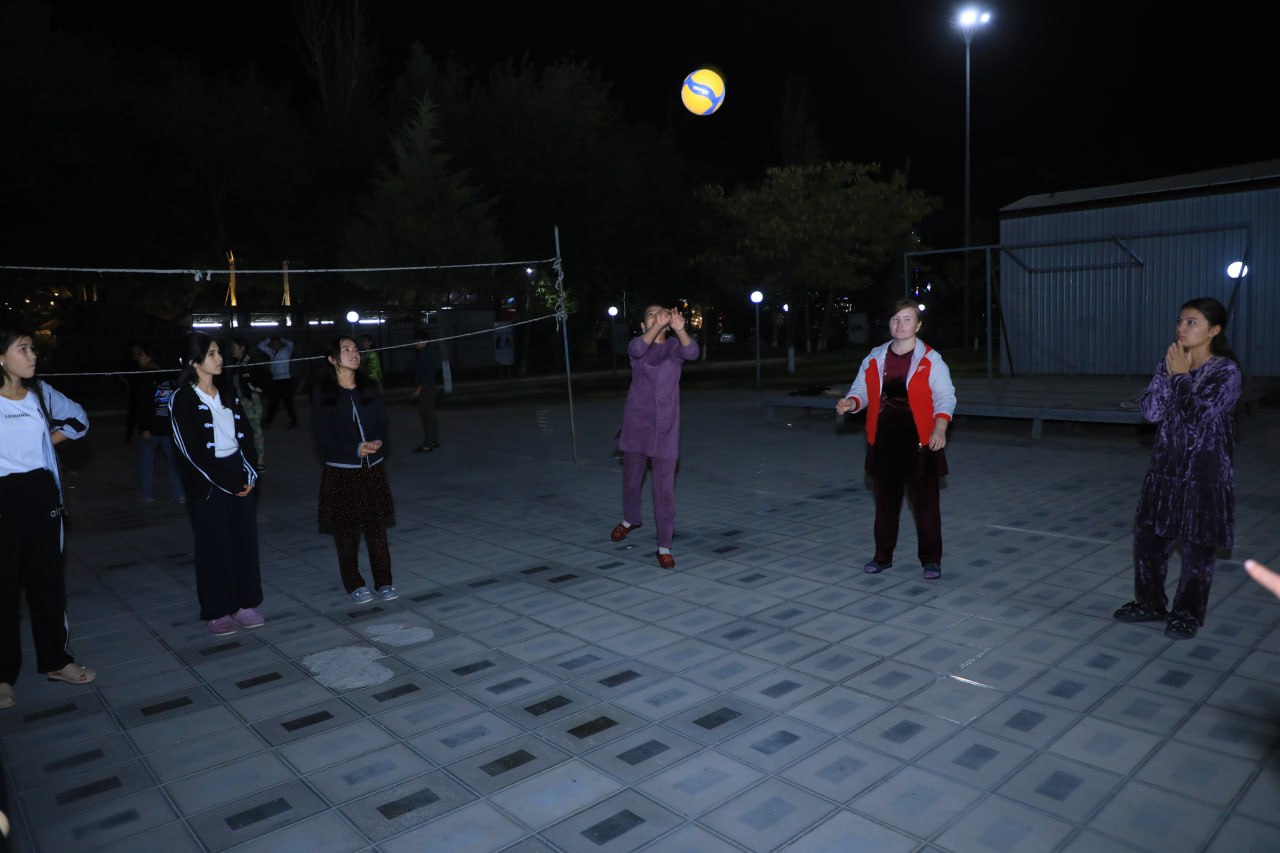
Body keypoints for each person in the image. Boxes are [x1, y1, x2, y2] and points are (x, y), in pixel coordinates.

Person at [1113, 297, 1242, 640]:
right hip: (1165, 470)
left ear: (1214, 330)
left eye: (1192, 322)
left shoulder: (1226, 372)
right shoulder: (1170, 362)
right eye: (1180, 321)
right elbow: (1152, 412)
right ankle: (1150, 603)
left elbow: (1198, 416)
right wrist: (1166, 375)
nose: (1181, 328)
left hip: (1204, 475)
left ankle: (1187, 613)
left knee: (1198, 550)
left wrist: (1181, 377)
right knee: (1148, 540)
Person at [0, 325, 95, 710]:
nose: (32, 355)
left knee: (48, 585)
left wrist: (47, 442)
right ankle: (2, 677)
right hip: (3, 497)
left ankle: (57, 661)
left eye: (32, 348)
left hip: (41, 494)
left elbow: (79, 420)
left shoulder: (41, 393)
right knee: (4, 592)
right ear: (1, 357)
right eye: (22, 349)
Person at [837, 299, 956, 580]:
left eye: (906, 319)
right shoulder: (875, 356)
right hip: (884, 440)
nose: (900, 325)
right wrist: (852, 403)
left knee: (925, 506)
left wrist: (940, 428)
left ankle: (931, 560)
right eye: (895, 319)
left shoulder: (931, 359)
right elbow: (861, 390)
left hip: (920, 442)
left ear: (918, 325)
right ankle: (882, 556)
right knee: (885, 505)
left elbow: (945, 397)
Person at [170, 332, 264, 635]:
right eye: (211, 354)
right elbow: (190, 452)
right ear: (194, 361)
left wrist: (250, 474)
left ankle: (245, 603)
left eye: (218, 352)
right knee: (213, 546)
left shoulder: (228, 392)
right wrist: (227, 482)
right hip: (207, 483)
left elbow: (246, 437)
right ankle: (217, 609)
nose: (219, 358)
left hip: (238, 472)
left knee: (244, 542)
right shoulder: (182, 399)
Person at [610, 305, 699, 569]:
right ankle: (630, 519)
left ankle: (664, 546)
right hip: (637, 426)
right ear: (642, 325)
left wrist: (680, 329)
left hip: (666, 430)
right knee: (631, 480)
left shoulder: (674, 347)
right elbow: (637, 349)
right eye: (650, 314)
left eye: (661, 313)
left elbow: (692, 353)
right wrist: (657, 326)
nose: (657, 315)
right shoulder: (638, 347)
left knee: (664, 490)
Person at [311, 336, 398, 604]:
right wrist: (354, 449)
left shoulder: (369, 387)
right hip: (342, 471)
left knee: (376, 529)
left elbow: (382, 422)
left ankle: (384, 581)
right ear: (332, 359)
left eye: (356, 349)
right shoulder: (324, 393)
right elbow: (323, 437)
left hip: (372, 468)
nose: (354, 354)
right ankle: (354, 583)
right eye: (346, 350)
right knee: (346, 532)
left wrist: (377, 442)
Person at [132, 345, 185, 504]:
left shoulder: (147, 377)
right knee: (173, 463)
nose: (139, 359)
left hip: (155, 428)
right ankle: (177, 494)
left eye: (142, 355)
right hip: (166, 427)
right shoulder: (165, 375)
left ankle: (147, 494)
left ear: (149, 357)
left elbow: (143, 404)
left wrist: (144, 427)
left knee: (148, 463)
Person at [228, 337, 268, 471]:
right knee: (244, 432)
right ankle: (249, 458)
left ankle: (260, 460)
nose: (232, 350)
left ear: (242, 348)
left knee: (255, 431)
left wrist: (252, 391)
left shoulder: (249, 363)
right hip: (240, 403)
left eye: (234, 347)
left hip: (250, 403)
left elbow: (264, 377)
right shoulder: (238, 363)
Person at [410, 329, 442, 453]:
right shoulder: (427, 353)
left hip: (426, 390)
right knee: (431, 417)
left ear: (426, 341)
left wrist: (418, 390)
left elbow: (426, 375)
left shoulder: (425, 354)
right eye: (415, 341)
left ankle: (428, 444)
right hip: (430, 388)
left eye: (418, 341)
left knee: (427, 418)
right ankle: (433, 441)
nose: (416, 343)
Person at [257, 334, 297, 428]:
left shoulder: (287, 351)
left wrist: (281, 338)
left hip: (285, 380)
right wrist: (269, 339)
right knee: (272, 402)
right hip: (275, 381)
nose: (275, 345)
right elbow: (260, 345)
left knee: (288, 402)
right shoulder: (271, 352)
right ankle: (267, 422)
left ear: (281, 343)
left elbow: (291, 343)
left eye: (277, 343)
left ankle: (294, 421)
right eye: (273, 343)